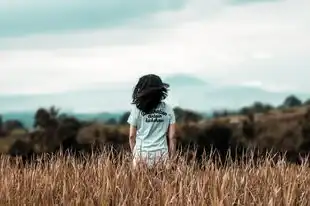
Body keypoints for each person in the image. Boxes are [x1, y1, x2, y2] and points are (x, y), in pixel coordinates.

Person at [127, 74, 177, 168]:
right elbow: (172, 137)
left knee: (139, 183)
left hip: (141, 154)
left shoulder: (137, 109)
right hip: (161, 155)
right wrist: (172, 159)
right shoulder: (168, 109)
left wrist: (135, 154)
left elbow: (131, 136)